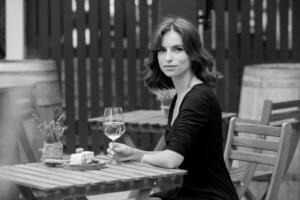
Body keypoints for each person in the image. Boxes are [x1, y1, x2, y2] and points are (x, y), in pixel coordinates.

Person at [107, 16, 239, 200]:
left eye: (177, 49)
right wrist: (134, 153)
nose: (168, 58)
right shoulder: (180, 96)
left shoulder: (199, 98)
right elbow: (173, 154)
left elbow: (171, 160)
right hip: (188, 191)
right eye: (162, 50)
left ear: (193, 53)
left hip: (211, 195)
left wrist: (140, 157)